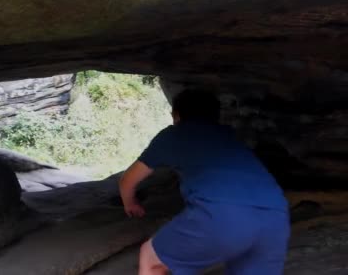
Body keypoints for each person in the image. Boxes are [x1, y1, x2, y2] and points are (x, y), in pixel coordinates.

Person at [119, 88, 290, 275]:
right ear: (216, 115)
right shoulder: (229, 135)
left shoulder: (174, 135)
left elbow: (128, 181)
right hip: (276, 215)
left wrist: (131, 203)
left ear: (176, 115)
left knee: (152, 260)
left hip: (224, 215)